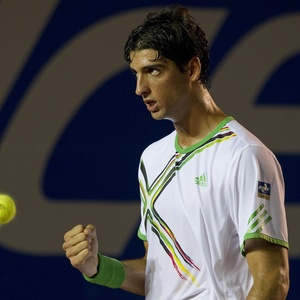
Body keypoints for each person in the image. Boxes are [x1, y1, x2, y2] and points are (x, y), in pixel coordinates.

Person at [62, 5, 289, 299]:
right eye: (136, 74)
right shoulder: (152, 159)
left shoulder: (245, 156)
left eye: (153, 71)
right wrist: (97, 267)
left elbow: (272, 279)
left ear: (192, 69)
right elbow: (160, 272)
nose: (139, 88)